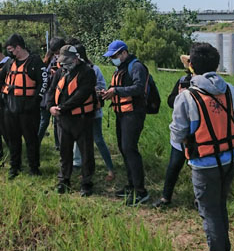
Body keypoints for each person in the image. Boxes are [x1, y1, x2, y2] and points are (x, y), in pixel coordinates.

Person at [170, 42, 234, 251]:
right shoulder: (229, 88)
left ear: (191, 66)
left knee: (209, 212)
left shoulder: (187, 96)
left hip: (204, 163)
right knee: (219, 207)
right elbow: (233, 117)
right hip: (230, 157)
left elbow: (178, 133)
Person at [101, 40, 149, 206]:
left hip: (134, 114)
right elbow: (117, 86)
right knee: (123, 149)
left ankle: (141, 191)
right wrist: (107, 92)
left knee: (130, 149)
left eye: (114, 56)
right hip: (121, 114)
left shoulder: (136, 67)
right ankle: (131, 186)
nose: (112, 59)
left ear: (123, 52)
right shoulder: (121, 68)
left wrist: (116, 91)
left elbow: (138, 88)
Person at [45, 45, 97, 196]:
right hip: (63, 120)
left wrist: (61, 108)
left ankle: (86, 183)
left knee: (87, 153)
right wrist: (50, 107)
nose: (63, 64)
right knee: (64, 152)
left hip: (82, 119)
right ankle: (64, 181)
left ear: (76, 58)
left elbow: (81, 95)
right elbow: (51, 90)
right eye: (62, 60)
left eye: (67, 60)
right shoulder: (60, 72)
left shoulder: (88, 72)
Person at [70, 42, 115, 182]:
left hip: (93, 112)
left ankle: (111, 169)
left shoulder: (94, 69)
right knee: (80, 140)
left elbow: (101, 88)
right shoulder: (71, 70)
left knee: (98, 139)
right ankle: (80, 166)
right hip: (77, 112)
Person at [153, 55, 193, 209]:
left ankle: (198, 199)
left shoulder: (207, 84)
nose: (191, 65)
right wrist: (180, 94)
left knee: (196, 169)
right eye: (189, 62)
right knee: (173, 166)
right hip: (181, 131)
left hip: (199, 132)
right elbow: (170, 101)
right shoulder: (183, 80)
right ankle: (165, 197)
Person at [3, 34, 45, 179]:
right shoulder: (9, 63)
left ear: (18, 48)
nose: (10, 53)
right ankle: (14, 167)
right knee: (13, 140)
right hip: (11, 107)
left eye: (11, 50)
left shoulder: (35, 62)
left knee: (31, 140)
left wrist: (34, 102)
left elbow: (43, 83)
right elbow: (0, 80)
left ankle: (34, 168)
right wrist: (1, 97)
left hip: (28, 109)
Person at [38, 37, 65, 149]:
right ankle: (36, 142)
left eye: (58, 52)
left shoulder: (66, 60)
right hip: (49, 95)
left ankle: (58, 144)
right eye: (55, 53)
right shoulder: (50, 60)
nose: (57, 55)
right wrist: (51, 75)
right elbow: (44, 77)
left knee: (57, 122)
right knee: (44, 121)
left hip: (60, 94)